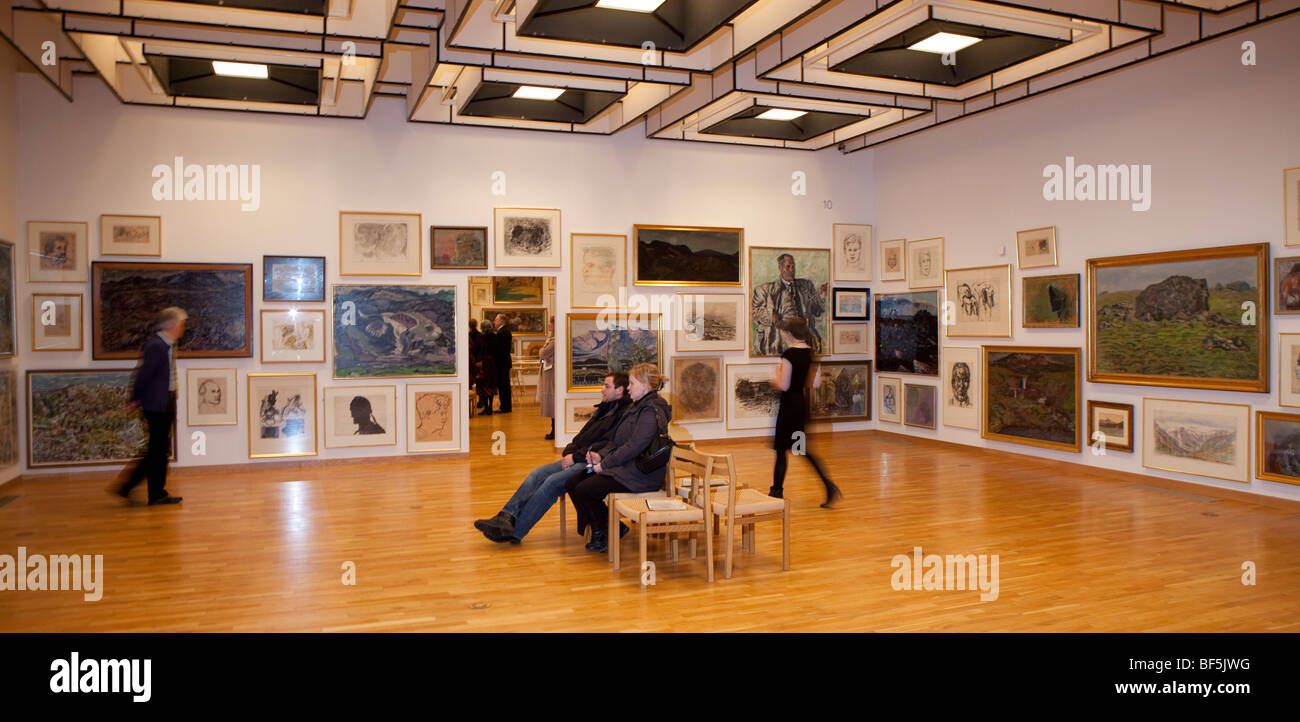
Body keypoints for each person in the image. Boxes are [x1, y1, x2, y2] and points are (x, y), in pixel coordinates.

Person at [474, 373, 632, 544]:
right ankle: (505, 517)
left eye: (607, 386)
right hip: (578, 457)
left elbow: (607, 446)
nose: (602, 389)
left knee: (551, 483)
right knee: (537, 474)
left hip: (593, 463)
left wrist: (575, 457)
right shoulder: (604, 409)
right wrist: (569, 452)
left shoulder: (623, 415)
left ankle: (515, 532)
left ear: (619, 390)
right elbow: (581, 436)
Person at [566, 363, 672, 553]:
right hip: (626, 467)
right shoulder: (637, 407)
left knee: (585, 489)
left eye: (631, 383)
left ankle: (603, 532)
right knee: (573, 482)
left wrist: (604, 464)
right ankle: (608, 528)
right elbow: (617, 440)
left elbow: (633, 447)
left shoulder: (650, 411)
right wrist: (601, 456)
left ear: (645, 385)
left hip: (641, 474)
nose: (628, 387)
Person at [114, 306, 186, 506]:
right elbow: (143, 375)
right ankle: (137, 489)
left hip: (165, 401)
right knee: (157, 450)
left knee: (159, 450)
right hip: (157, 405)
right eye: (181, 324)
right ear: (172, 325)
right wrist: (134, 399)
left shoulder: (166, 345)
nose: (182, 328)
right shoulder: (156, 346)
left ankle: (152, 493)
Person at [769, 317, 842, 508]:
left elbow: (783, 385)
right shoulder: (810, 354)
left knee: (781, 451)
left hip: (788, 408)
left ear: (790, 334)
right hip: (800, 406)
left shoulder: (788, 355)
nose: (784, 335)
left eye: (785, 332)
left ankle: (776, 493)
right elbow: (815, 383)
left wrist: (774, 378)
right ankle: (828, 486)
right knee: (802, 450)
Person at [751, 253, 826, 356]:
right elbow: (754, 312)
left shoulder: (806, 286)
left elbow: (816, 311)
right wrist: (772, 316)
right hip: (779, 343)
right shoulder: (765, 290)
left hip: (803, 343)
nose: (792, 269)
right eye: (788, 266)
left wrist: (821, 298)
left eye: (793, 266)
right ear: (780, 268)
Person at [538, 316, 556, 440]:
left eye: (550, 323)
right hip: (548, 373)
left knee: (552, 401)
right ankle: (553, 428)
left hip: (552, 374)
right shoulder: (551, 339)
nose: (549, 325)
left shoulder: (555, 340)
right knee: (550, 400)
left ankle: (555, 430)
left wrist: (542, 351)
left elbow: (543, 353)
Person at [493, 313, 513, 413]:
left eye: (496, 320)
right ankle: (506, 406)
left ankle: (504, 407)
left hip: (502, 363)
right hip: (504, 362)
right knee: (505, 385)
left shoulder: (502, 333)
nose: (494, 322)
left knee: (503, 386)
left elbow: (499, 350)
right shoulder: (505, 331)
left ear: (501, 321)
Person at [477, 319, 498, 415]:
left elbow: (478, 350)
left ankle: (486, 407)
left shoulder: (481, 337)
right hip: (492, 364)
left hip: (483, 363)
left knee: (483, 385)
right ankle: (490, 407)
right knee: (491, 385)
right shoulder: (495, 337)